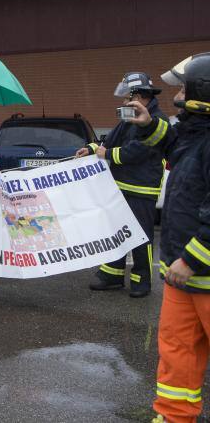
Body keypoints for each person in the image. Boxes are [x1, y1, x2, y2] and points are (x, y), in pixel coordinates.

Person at [125, 54, 210, 423]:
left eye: (182, 85)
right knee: (176, 354)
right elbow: (173, 146)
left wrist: (192, 259)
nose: (176, 91)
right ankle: (174, 416)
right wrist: (147, 125)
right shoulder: (197, 133)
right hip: (182, 277)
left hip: (196, 270)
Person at [77, 72, 168, 298]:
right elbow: (111, 139)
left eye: (127, 98)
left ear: (139, 96)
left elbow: (138, 150)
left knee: (140, 236)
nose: (124, 103)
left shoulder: (158, 120)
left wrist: (106, 153)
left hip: (141, 189)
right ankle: (112, 275)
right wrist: (90, 148)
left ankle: (141, 281)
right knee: (117, 232)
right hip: (121, 187)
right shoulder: (130, 116)